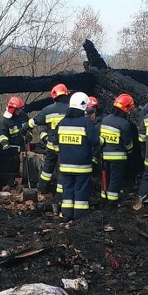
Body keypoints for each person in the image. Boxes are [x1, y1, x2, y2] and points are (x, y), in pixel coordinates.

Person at [55, 92, 99, 220]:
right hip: (82, 165)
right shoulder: (86, 123)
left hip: (64, 164)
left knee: (67, 189)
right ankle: (80, 215)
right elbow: (94, 141)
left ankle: (67, 213)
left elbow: (56, 140)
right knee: (81, 189)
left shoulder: (62, 122)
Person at [24, 83, 70, 197]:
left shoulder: (48, 110)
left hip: (51, 146)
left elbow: (34, 121)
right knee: (62, 171)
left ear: (54, 97)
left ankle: (42, 188)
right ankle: (60, 195)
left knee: (47, 169)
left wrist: (24, 127)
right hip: (66, 147)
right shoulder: (71, 110)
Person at [99, 94, 135, 204]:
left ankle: (103, 197)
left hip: (105, 155)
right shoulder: (124, 123)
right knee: (115, 178)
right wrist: (131, 152)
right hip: (118, 157)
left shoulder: (105, 120)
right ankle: (112, 202)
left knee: (106, 177)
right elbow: (127, 142)